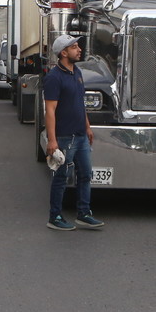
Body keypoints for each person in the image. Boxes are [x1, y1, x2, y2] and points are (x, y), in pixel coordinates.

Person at [44, 34, 104, 231]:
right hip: (65, 136)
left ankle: (84, 214)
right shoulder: (54, 77)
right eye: (74, 47)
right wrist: (52, 141)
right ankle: (55, 217)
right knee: (61, 177)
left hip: (80, 135)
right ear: (63, 52)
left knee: (85, 174)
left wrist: (87, 127)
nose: (79, 50)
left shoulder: (77, 72)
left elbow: (80, 102)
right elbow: (50, 110)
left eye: (78, 46)